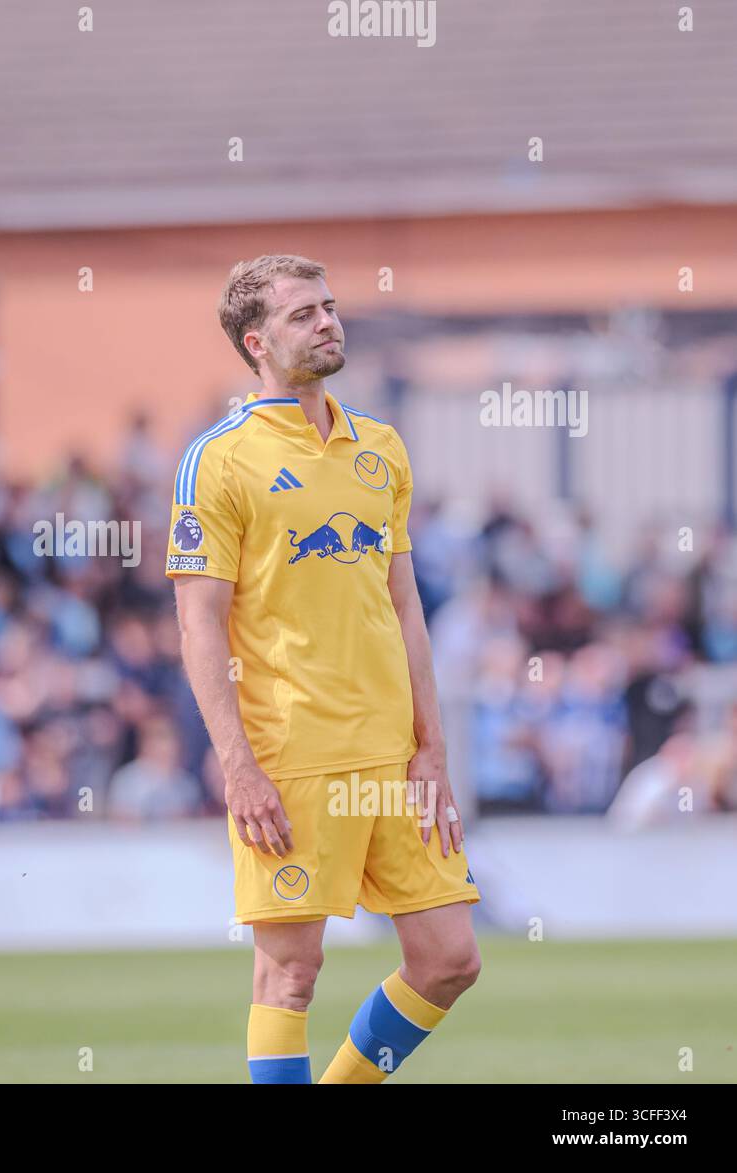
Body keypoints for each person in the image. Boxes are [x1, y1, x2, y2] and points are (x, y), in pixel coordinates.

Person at [167, 255, 480, 1085]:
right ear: (256, 341)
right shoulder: (219, 459)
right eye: (304, 314)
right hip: (291, 754)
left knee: (450, 959)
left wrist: (432, 747)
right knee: (291, 975)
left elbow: (405, 603)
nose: (329, 322)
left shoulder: (380, 445)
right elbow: (198, 624)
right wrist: (238, 766)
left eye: (330, 307)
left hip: (392, 757)